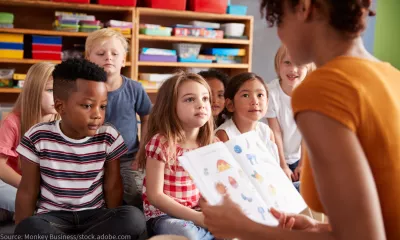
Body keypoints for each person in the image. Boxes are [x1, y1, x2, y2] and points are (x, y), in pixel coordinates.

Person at [200, 0, 400, 239]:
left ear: (304, 8)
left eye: (279, 21)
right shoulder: (390, 76)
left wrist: (246, 228)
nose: (280, 33)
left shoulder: (324, 88)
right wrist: (319, 228)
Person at [14, 59, 146, 238]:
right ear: (61, 106)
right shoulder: (37, 136)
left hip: (94, 217)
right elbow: (27, 190)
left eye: (102, 106)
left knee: (133, 218)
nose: (97, 114)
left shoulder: (108, 135)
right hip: (53, 219)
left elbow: (113, 186)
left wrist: (112, 220)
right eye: (87, 106)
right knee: (29, 227)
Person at [136, 72, 217, 240]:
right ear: (170, 106)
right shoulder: (161, 143)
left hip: (199, 213)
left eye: (205, 98)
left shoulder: (212, 144)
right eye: (189, 99)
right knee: (187, 234)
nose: (201, 105)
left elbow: (210, 189)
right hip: (165, 216)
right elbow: (155, 196)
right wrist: (197, 219)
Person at [86, 28, 152, 209]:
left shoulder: (135, 88)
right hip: (90, 157)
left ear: (123, 60)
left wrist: (142, 151)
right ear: (88, 58)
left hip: (128, 157)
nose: (108, 57)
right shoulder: (82, 89)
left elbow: (147, 117)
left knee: (134, 192)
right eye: (101, 53)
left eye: (115, 54)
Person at [0, 62, 58, 223]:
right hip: (15, 184)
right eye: (51, 90)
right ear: (34, 91)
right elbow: (1, 167)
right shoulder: (12, 122)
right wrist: (30, 188)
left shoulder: (63, 123)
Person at [266, 45, 314, 190]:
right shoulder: (270, 93)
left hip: (299, 157)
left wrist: (303, 165)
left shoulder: (310, 95)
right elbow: (276, 132)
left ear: (308, 68)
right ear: (278, 65)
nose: (293, 69)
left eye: (299, 64)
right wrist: (282, 164)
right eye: (287, 62)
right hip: (274, 156)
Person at [215, 72, 279, 163]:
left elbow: (274, 166)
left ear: (267, 102)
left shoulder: (266, 131)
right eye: (246, 95)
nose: (255, 101)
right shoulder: (223, 135)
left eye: (260, 95)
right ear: (230, 105)